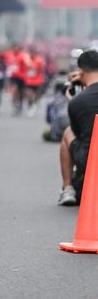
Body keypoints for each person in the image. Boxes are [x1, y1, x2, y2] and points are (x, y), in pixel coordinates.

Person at [58, 50, 98, 206]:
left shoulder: (77, 102)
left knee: (68, 132)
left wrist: (72, 100)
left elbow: (78, 132)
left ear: (80, 71)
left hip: (89, 159)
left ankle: (67, 189)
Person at [5, 43, 27, 115]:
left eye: (17, 48)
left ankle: (20, 103)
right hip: (13, 76)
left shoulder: (23, 55)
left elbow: (28, 64)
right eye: (14, 48)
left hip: (22, 76)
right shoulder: (8, 55)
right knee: (14, 90)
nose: (16, 49)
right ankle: (14, 105)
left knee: (21, 92)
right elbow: (6, 63)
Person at [24, 45, 46, 117]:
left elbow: (41, 69)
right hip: (29, 80)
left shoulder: (39, 60)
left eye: (33, 52)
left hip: (37, 80)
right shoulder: (27, 60)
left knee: (36, 95)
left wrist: (35, 68)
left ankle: (34, 104)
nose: (31, 54)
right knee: (29, 94)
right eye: (30, 52)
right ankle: (30, 105)